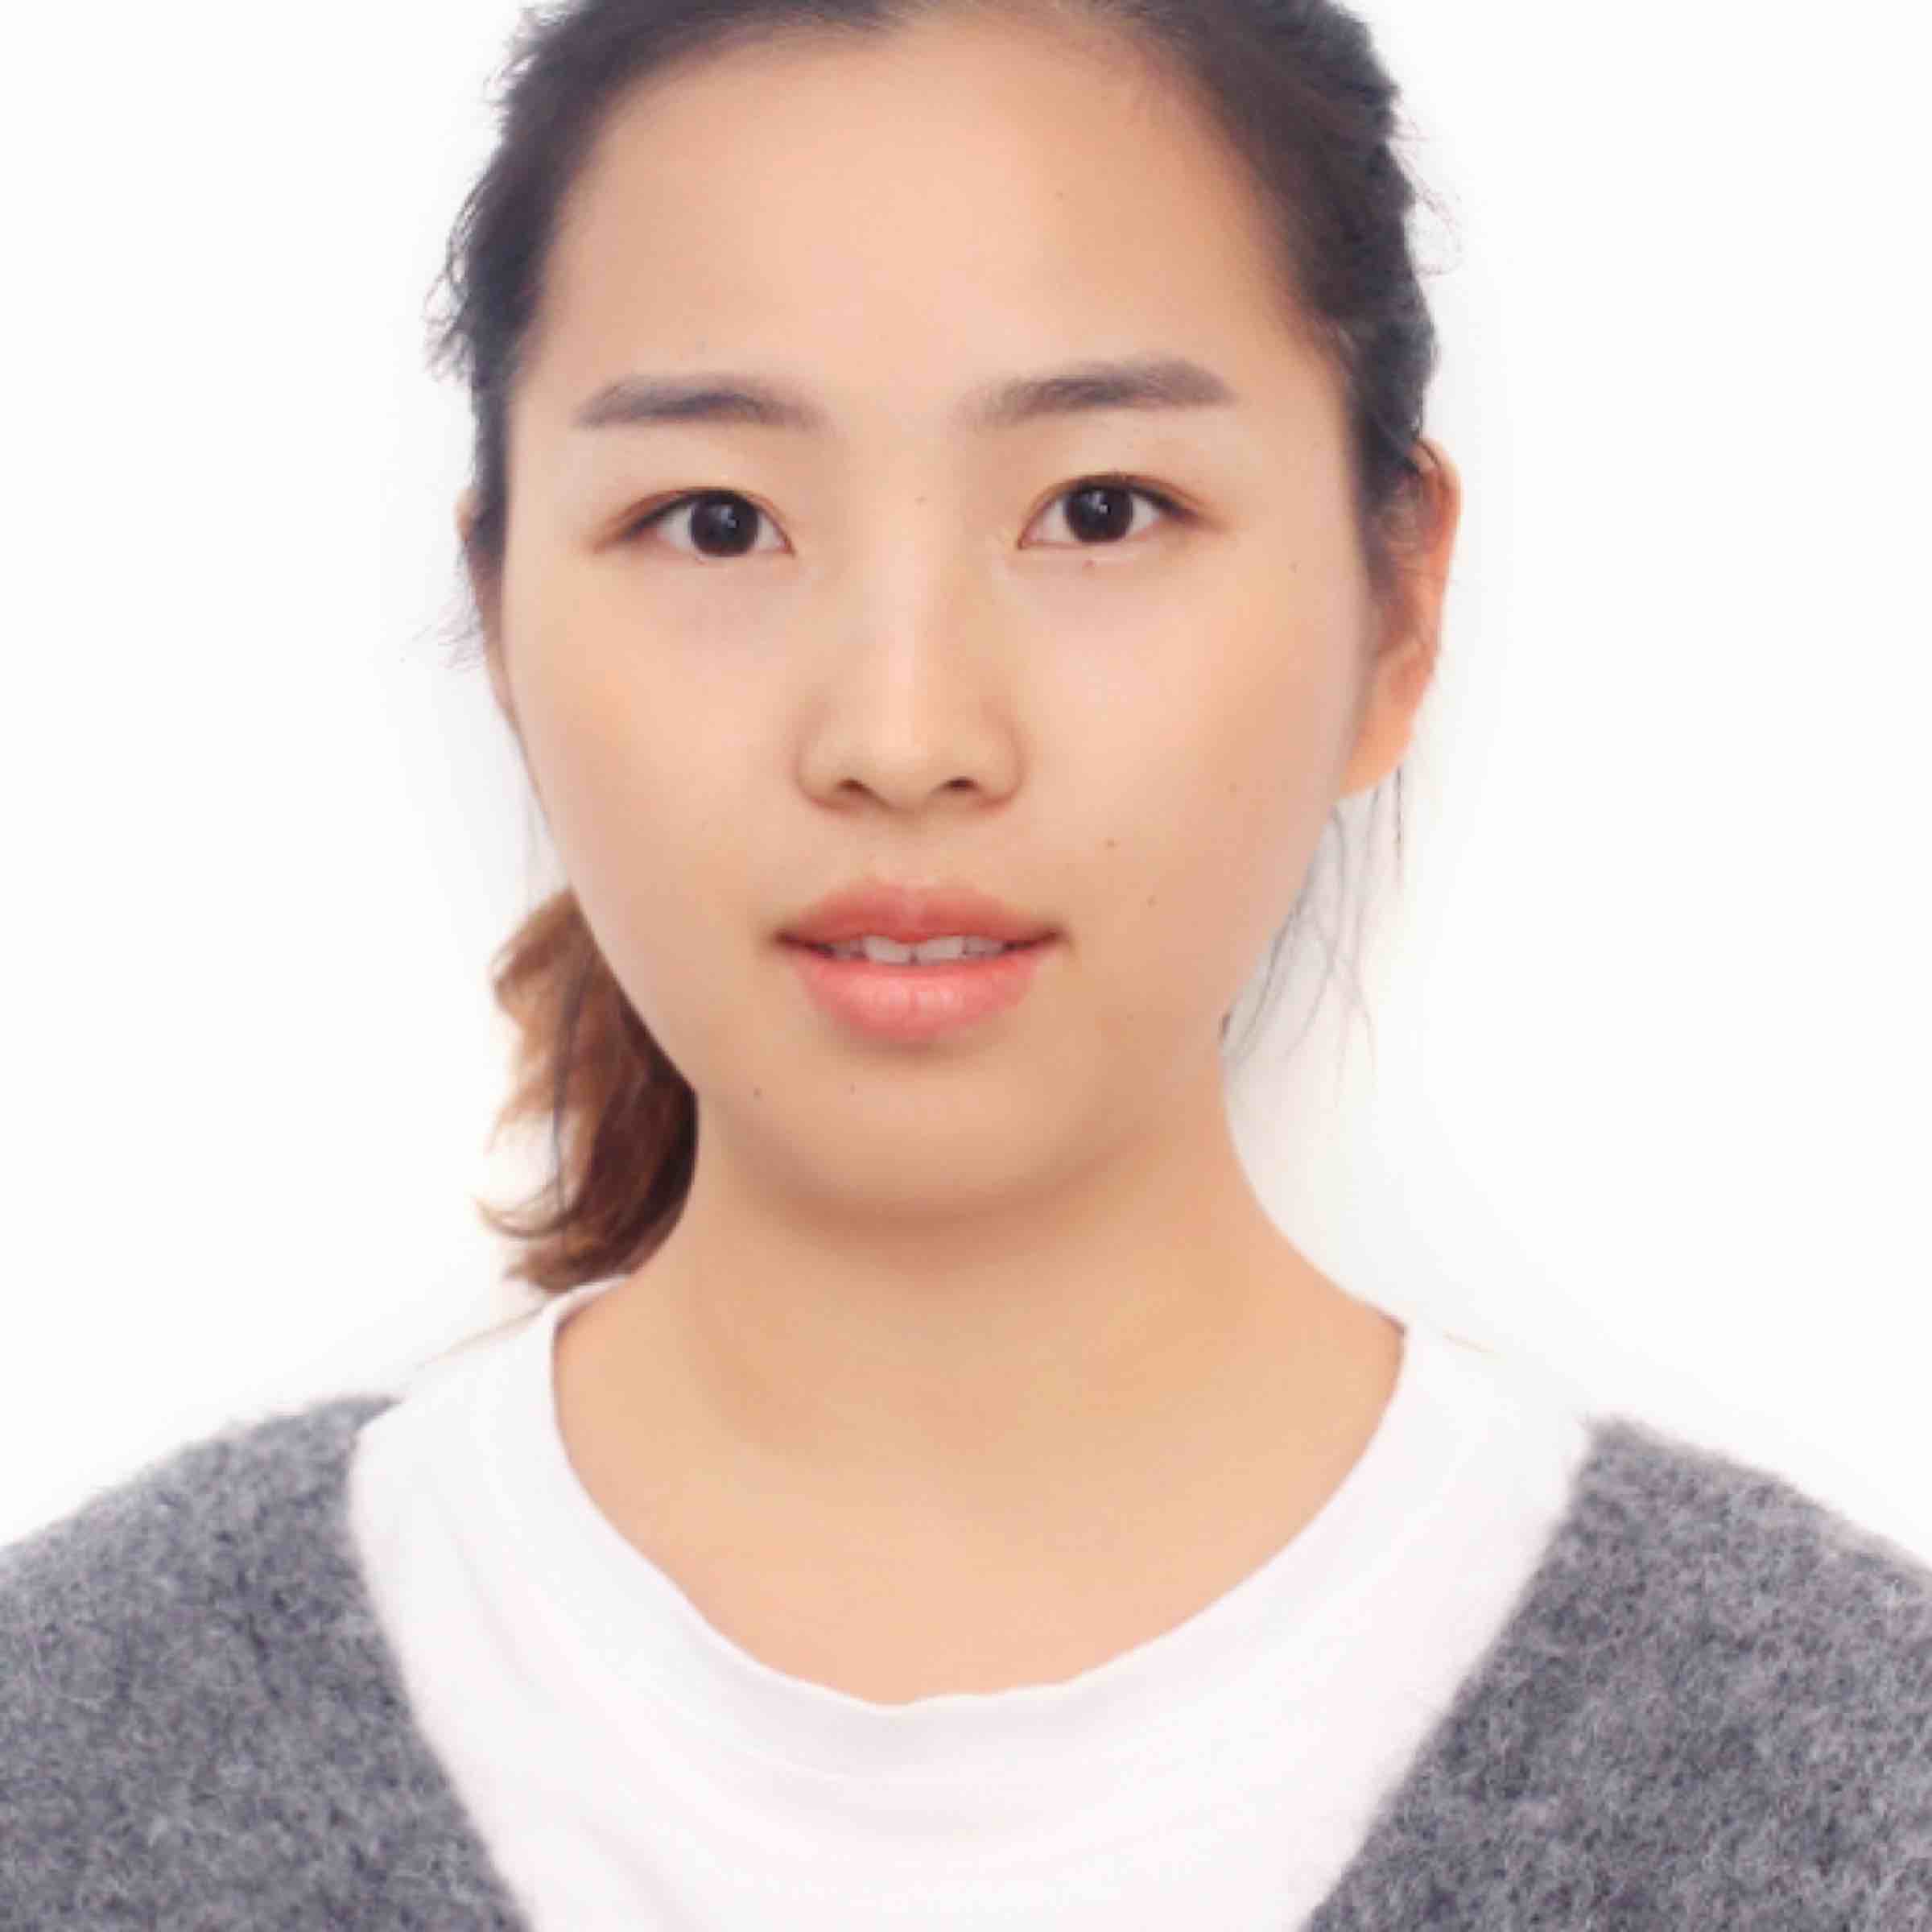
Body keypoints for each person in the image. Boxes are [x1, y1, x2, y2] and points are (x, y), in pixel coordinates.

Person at [4, 0, 1929, 1924]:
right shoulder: (72, 1761)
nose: (905, 734)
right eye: (716, 523)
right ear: (499, 617)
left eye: (1101, 510)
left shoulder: (1841, 1785)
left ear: (1398, 604)